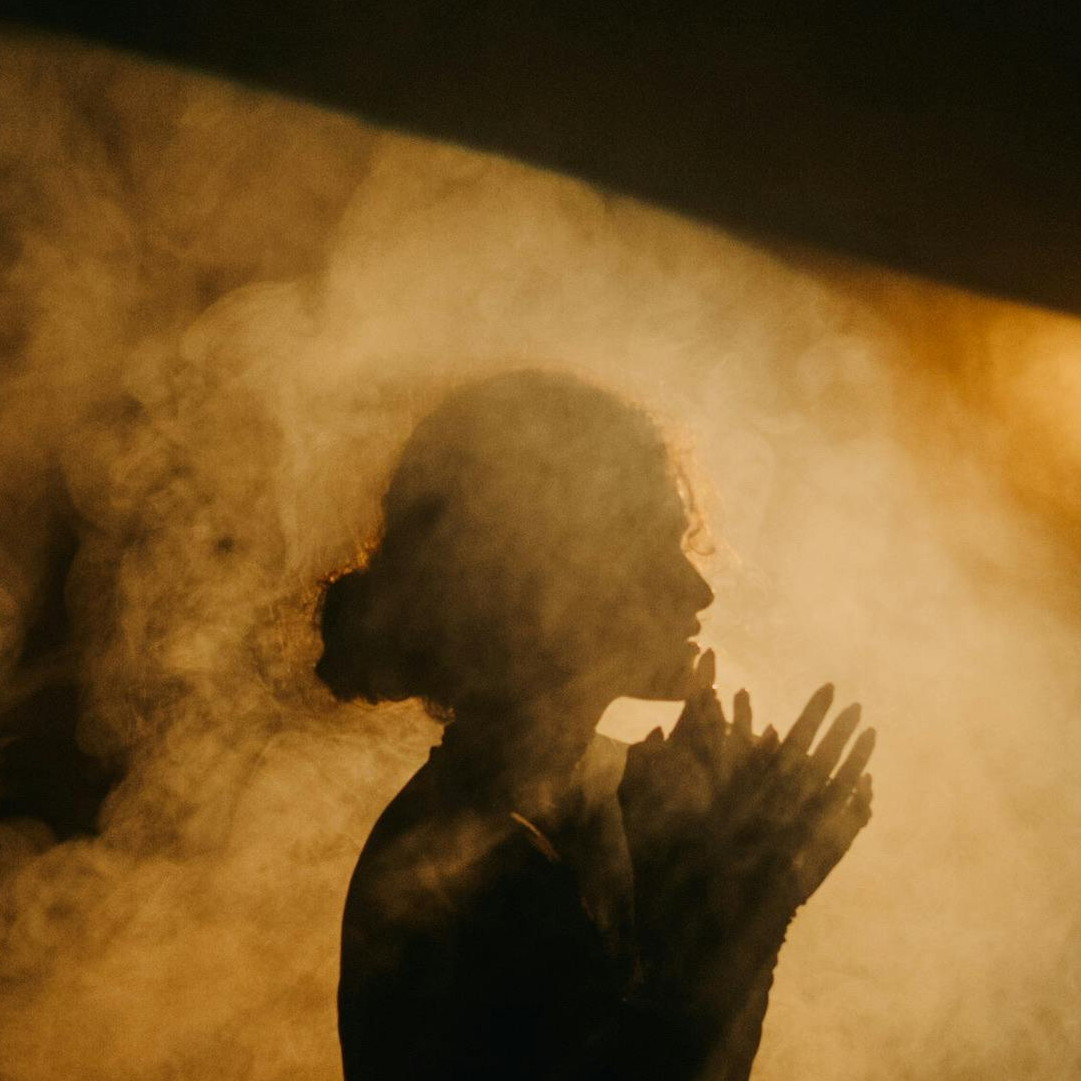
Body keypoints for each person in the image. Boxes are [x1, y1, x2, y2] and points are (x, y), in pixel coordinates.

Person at [316, 369, 875, 1081]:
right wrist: (745, 913)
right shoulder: (448, 867)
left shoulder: (586, 810)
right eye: (649, 550)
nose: (697, 590)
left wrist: (718, 880)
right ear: (541, 581)